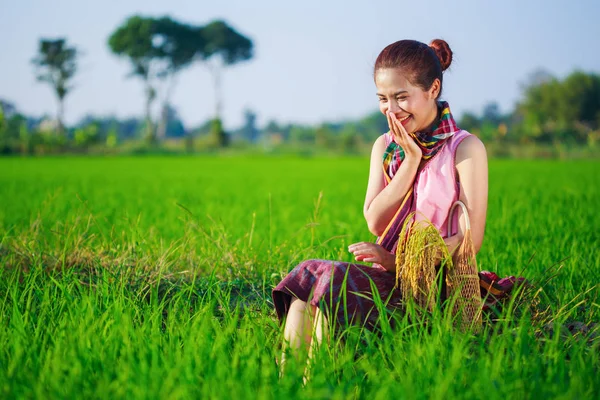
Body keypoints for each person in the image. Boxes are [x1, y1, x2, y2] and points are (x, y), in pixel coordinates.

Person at [272, 38, 490, 376]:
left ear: (433, 89)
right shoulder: (386, 147)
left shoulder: (465, 148)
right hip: (388, 277)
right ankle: (288, 384)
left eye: (402, 97)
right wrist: (411, 161)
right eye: (383, 99)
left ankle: (315, 383)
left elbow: (469, 242)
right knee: (310, 277)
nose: (392, 110)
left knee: (333, 278)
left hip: (434, 285)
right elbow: (376, 221)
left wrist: (398, 262)